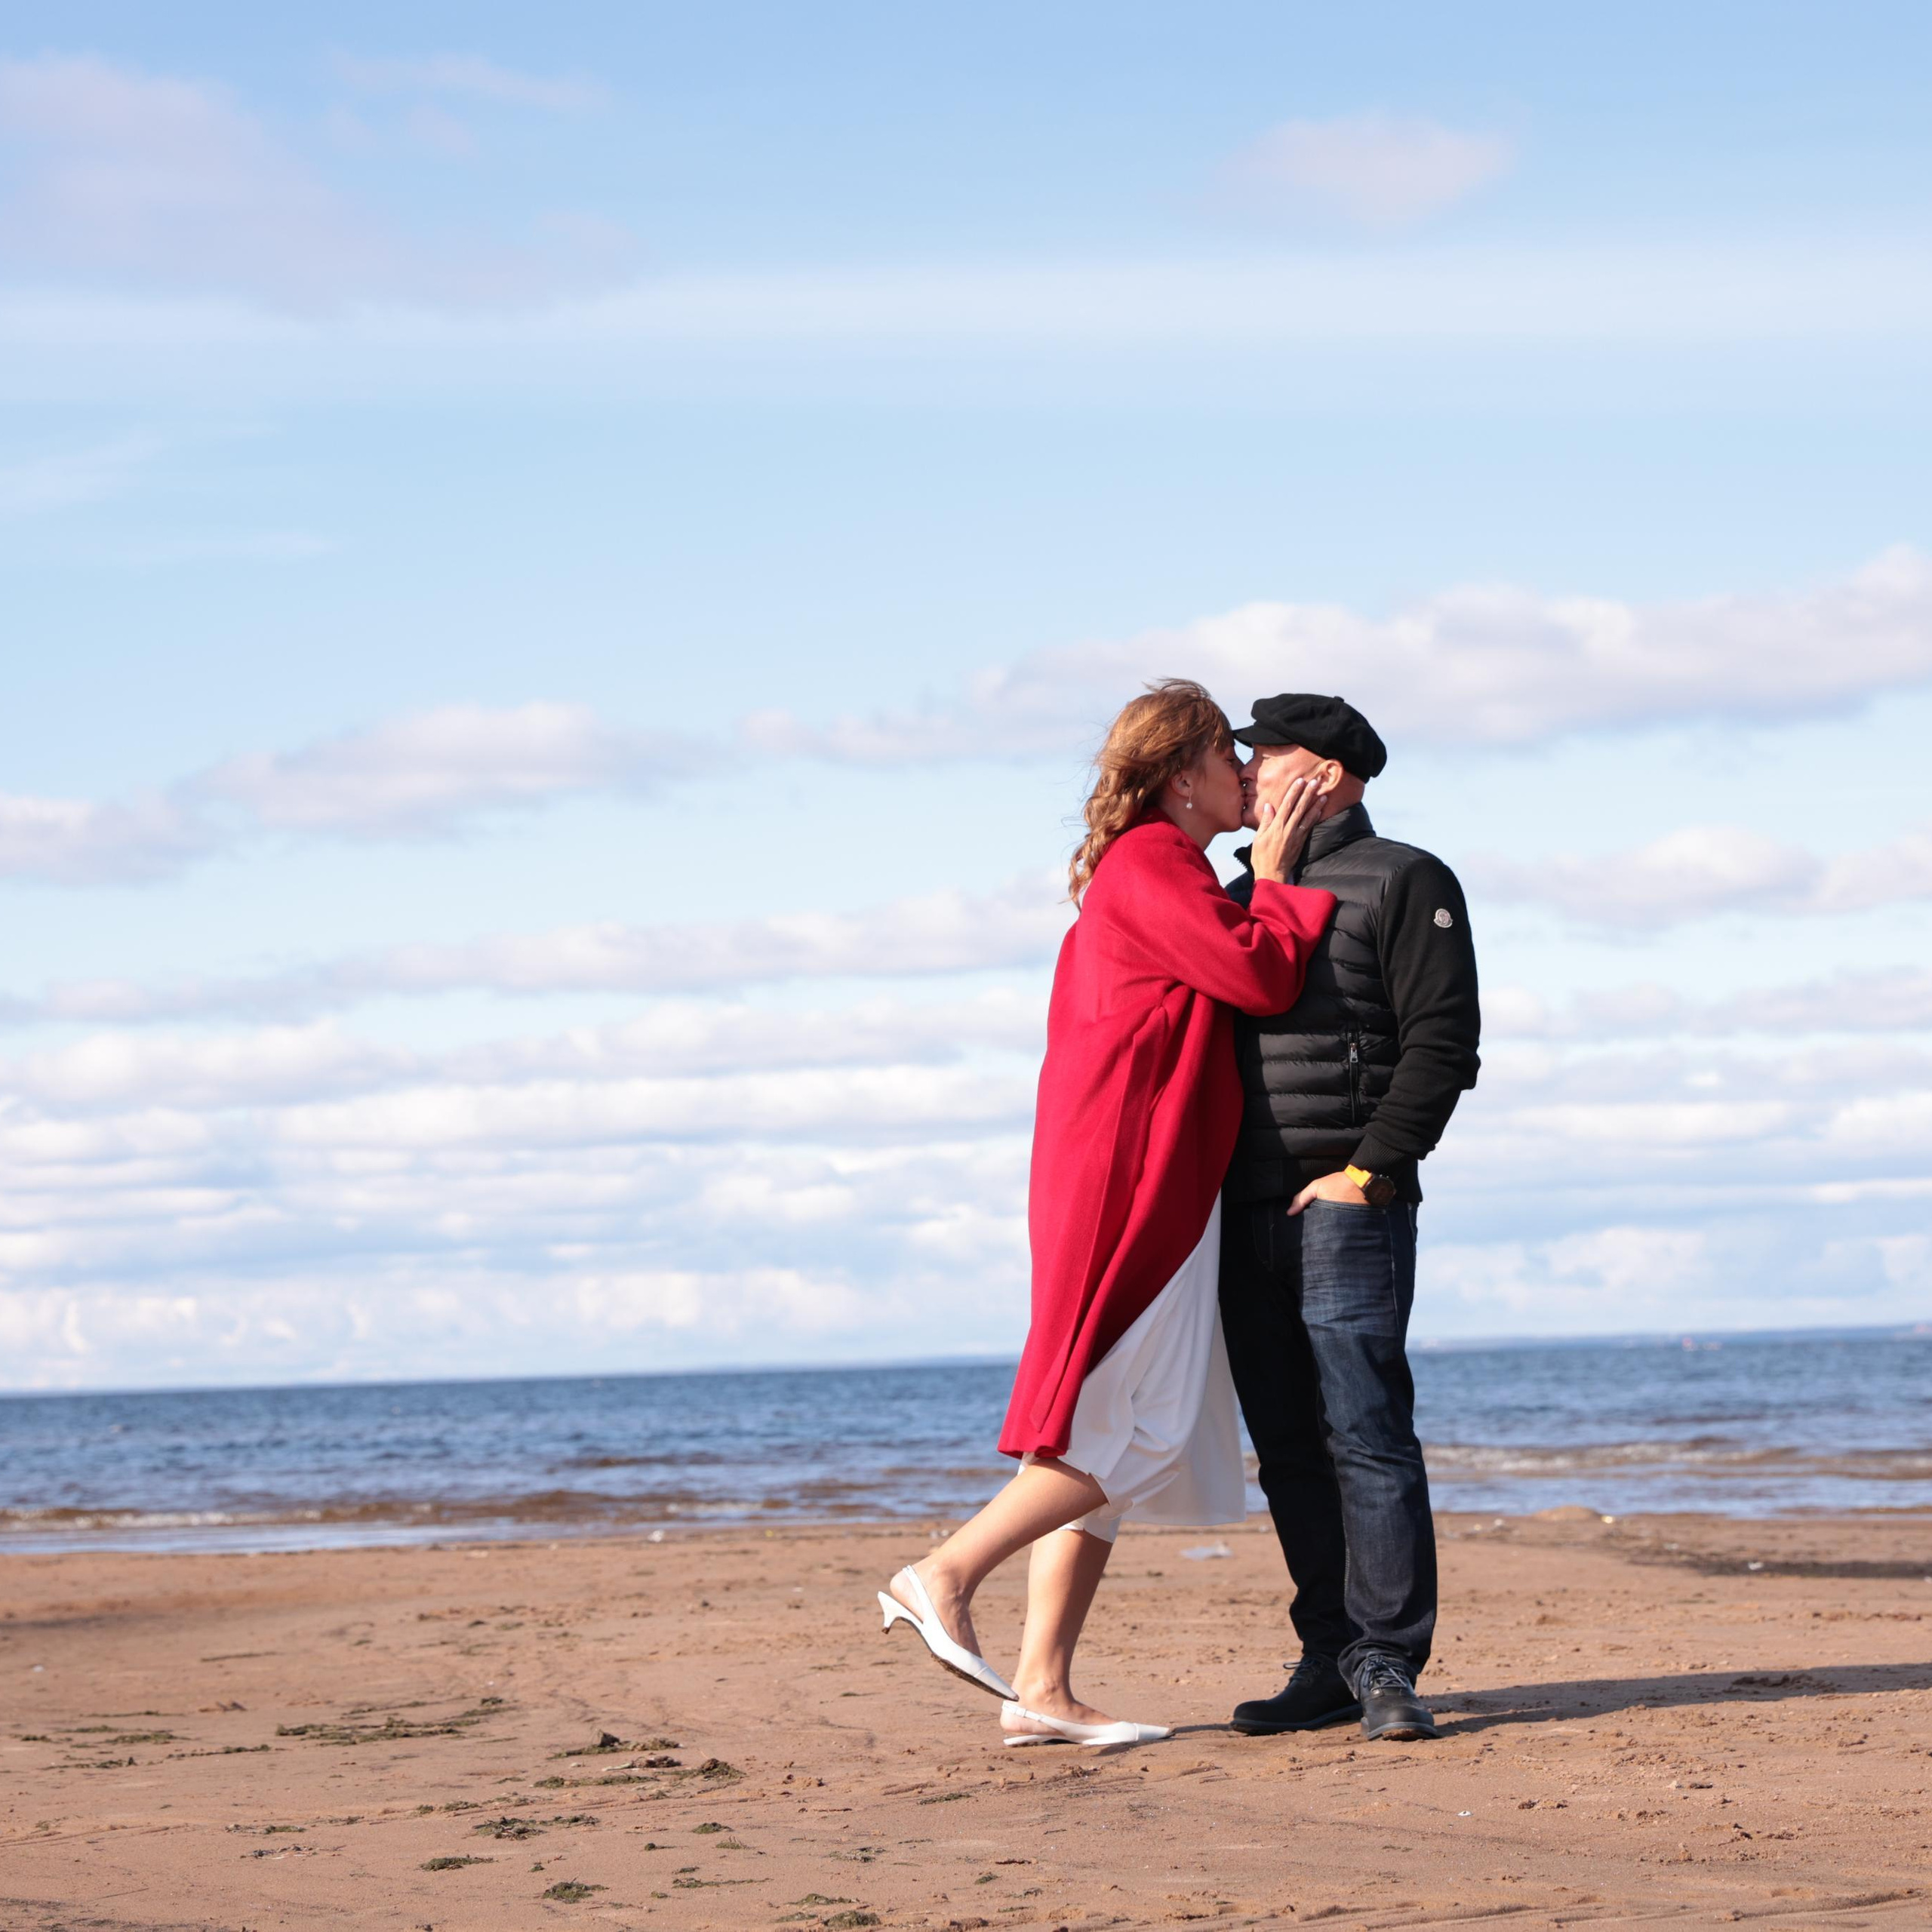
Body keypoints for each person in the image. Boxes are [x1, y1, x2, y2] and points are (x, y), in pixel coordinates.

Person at [878, 679, 1337, 1748]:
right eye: (1228, 755)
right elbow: (1260, 975)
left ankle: (1042, 1687)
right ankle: (945, 1573)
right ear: (1181, 776)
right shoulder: (1149, 864)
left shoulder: (1158, 867)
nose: (1248, 773)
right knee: (1151, 1426)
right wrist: (1275, 880)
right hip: (1137, 1177)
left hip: (1140, 1167)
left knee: (1107, 1423)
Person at [1215, 694, 1481, 1744]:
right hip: (1240, 1210)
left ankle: (1384, 1661)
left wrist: (1368, 1173)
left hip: (1347, 1205)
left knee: (1365, 1432)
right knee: (1287, 1444)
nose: (1245, 772)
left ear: (1324, 773)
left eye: (1263, 755)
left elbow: (1444, 1045)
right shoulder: (1240, 895)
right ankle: (1328, 1656)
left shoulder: (1407, 877)